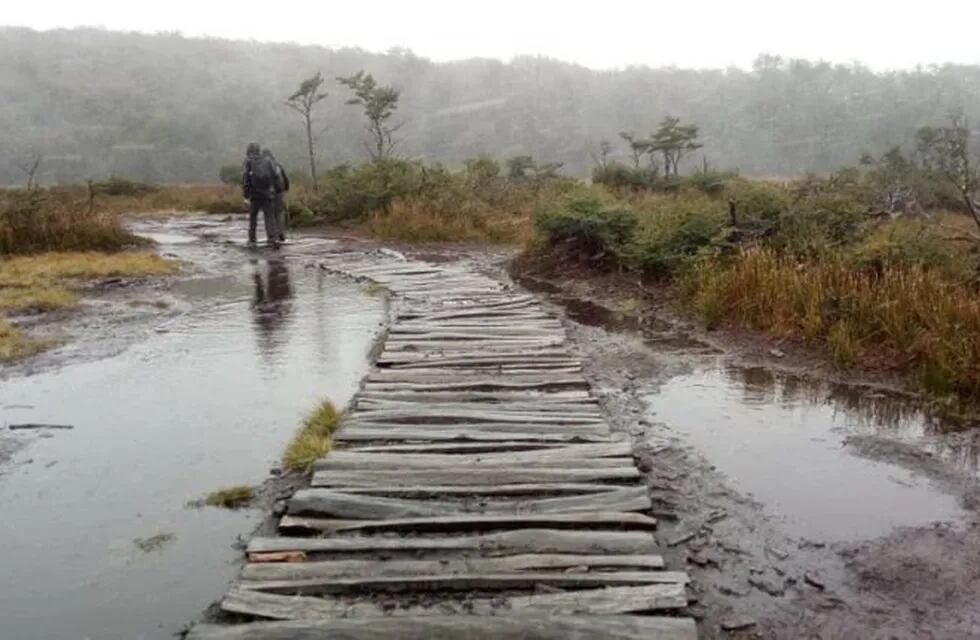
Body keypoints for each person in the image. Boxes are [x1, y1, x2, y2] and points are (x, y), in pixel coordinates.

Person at [241, 142, 280, 247]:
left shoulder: (248, 162)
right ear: (259, 150)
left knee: (253, 217)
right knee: (269, 217)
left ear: (249, 150)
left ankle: (252, 239)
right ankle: (272, 239)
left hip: (254, 195)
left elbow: (246, 180)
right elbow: (275, 175)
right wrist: (275, 190)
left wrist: (246, 196)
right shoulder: (267, 160)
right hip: (268, 194)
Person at [262, 148, 290, 242]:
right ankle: (281, 233)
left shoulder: (262, 166)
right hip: (279, 192)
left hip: (267, 194)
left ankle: (271, 236)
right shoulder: (278, 166)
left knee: (269, 215)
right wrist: (285, 189)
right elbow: (285, 180)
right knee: (279, 214)